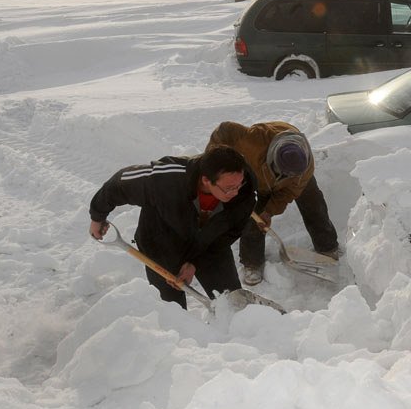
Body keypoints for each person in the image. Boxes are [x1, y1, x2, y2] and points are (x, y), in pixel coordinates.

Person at [88, 145, 257, 309]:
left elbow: (229, 233)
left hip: (210, 244)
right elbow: (120, 184)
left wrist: (193, 262)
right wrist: (97, 216)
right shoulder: (167, 178)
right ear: (206, 180)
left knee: (232, 301)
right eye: (229, 188)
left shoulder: (245, 192)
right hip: (162, 240)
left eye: (238, 185)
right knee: (171, 306)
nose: (235, 192)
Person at [206, 121, 339, 286]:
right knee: (253, 215)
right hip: (258, 175)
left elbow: (288, 192)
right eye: (282, 173)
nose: (285, 178)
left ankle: (327, 246)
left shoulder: (304, 170)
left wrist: (269, 211)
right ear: (274, 160)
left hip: (294, 177)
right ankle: (252, 263)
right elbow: (224, 130)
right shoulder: (253, 141)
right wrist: (212, 164)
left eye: (289, 176)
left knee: (313, 203)